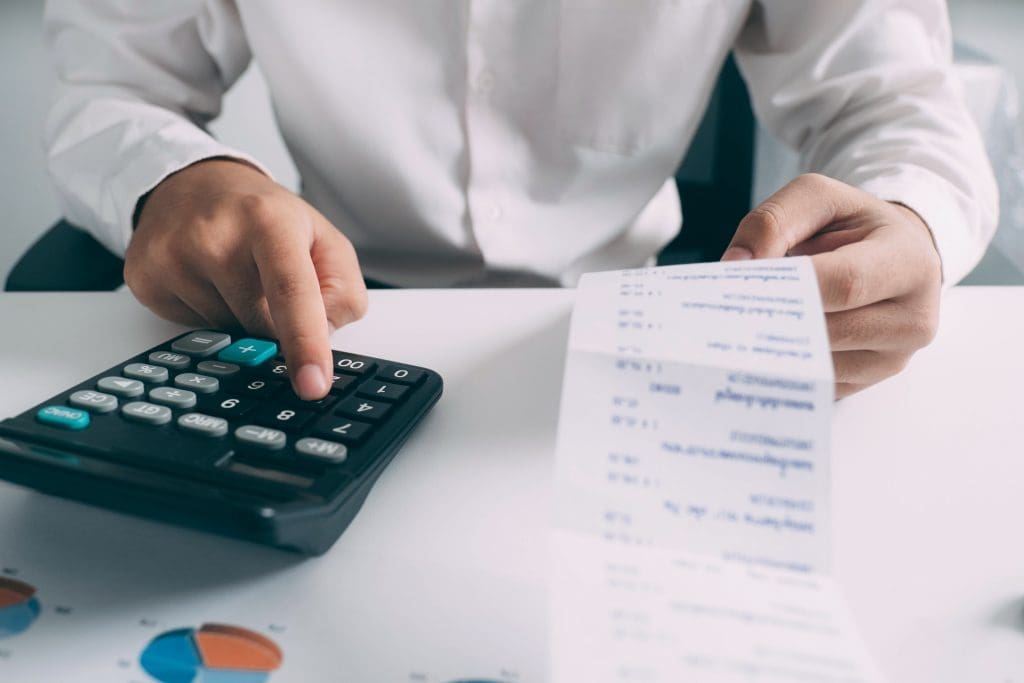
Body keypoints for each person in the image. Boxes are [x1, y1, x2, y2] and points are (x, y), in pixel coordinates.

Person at [43, 1, 998, 401]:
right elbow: (114, 87)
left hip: (636, 330)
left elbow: (893, 101)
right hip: (318, 314)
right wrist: (176, 177)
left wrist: (909, 218)